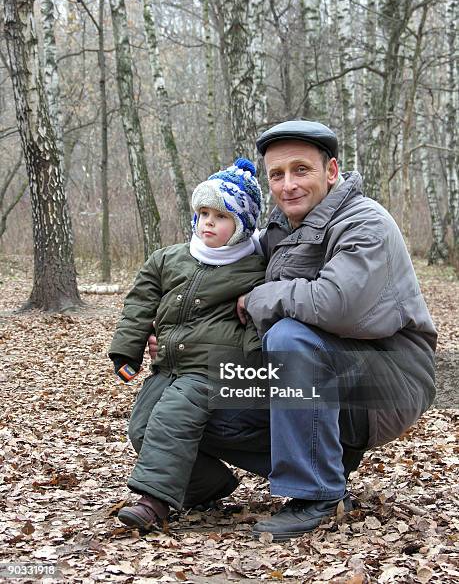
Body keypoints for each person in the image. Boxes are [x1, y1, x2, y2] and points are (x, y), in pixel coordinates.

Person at [149, 120, 437, 541]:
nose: (288, 185)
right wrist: (176, 335)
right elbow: (218, 271)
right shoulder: (279, 232)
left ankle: (318, 494)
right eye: (277, 175)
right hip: (318, 376)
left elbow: (339, 304)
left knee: (288, 337)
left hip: (391, 377)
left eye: (301, 170)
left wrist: (263, 297)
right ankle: (205, 484)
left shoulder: (365, 222)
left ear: (331, 171)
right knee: (196, 389)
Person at [109, 158, 266, 532]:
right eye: (204, 213)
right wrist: (126, 349)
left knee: (171, 419)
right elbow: (140, 304)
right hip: (167, 362)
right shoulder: (169, 258)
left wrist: (253, 363)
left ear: (242, 226)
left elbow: (260, 315)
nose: (209, 222)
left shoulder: (253, 269)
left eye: (222, 216)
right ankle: (209, 484)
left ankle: (154, 502)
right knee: (142, 429)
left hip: (212, 367)